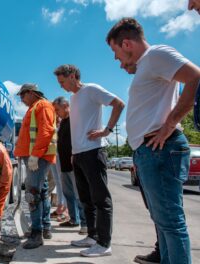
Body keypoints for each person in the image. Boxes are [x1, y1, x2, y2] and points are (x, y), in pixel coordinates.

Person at [106, 17, 200, 264]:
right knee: (164, 222)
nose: (117, 60)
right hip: (149, 151)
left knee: (170, 223)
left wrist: (169, 124)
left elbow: (195, 77)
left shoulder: (157, 54)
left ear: (126, 43)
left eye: (116, 52)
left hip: (161, 149)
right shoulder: (148, 64)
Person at [54, 64, 124, 257]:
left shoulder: (91, 89)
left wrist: (106, 130)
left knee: (101, 199)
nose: (61, 86)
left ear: (73, 76)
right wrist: (73, 152)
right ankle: (92, 236)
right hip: (78, 155)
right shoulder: (74, 98)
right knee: (86, 199)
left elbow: (119, 104)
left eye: (62, 82)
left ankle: (104, 243)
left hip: (94, 152)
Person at [14, 83, 56, 249]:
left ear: (31, 93)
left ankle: (36, 234)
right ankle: (45, 227)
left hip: (37, 158)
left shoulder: (43, 106)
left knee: (33, 193)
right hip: (35, 157)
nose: (21, 99)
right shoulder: (34, 107)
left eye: (22, 96)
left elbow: (46, 132)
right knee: (42, 191)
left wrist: (35, 156)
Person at [52, 96, 87, 235]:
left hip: (74, 164)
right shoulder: (63, 123)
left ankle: (85, 224)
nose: (56, 112)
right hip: (64, 165)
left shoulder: (75, 119)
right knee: (68, 193)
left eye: (57, 109)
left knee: (79, 194)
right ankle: (74, 219)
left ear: (66, 105)